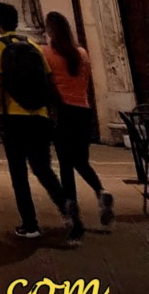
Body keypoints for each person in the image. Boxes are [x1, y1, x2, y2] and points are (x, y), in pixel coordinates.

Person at [0, 1, 82, 244]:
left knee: (18, 174)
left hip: (14, 117)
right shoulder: (33, 46)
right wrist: (51, 112)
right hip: (39, 117)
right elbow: (49, 82)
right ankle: (67, 208)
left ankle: (30, 225)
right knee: (43, 170)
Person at [41, 11, 114, 227]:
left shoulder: (47, 54)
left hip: (62, 112)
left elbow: (47, 83)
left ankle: (71, 208)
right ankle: (101, 191)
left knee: (65, 164)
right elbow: (86, 82)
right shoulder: (81, 54)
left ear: (50, 31)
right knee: (81, 161)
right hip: (83, 110)